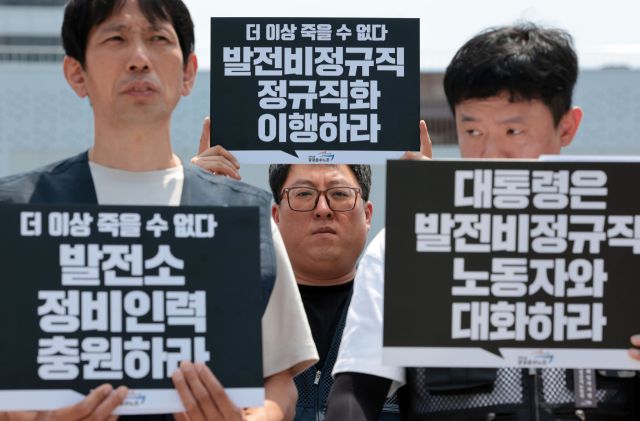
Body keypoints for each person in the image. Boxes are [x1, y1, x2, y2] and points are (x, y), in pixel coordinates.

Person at [0, 0, 317, 420]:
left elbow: (279, 380)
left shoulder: (245, 217)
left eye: (158, 39)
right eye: (116, 38)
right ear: (77, 72)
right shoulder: (16, 213)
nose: (139, 58)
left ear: (188, 73)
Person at [327, 23, 640, 421]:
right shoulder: (407, 243)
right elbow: (355, 393)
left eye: (513, 130)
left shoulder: (627, 238)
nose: (490, 151)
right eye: (472, 130)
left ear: (567, 127)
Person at [192, 121, 403, 419]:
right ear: (275, 215)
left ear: (367, 215)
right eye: (303, 194)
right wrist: (190, 201)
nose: (322, 209)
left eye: (339, 194)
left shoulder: (399, 309)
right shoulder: (234, 307)